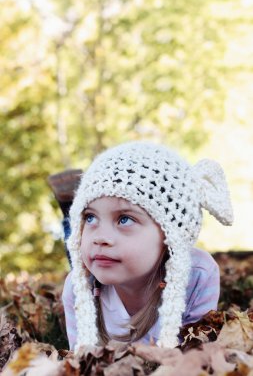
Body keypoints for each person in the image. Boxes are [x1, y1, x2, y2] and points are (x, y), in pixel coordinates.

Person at [61, 141, 233, 353]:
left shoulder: (197, 274)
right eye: (89, 217)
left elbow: (197, 356)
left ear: (169, 233)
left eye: (124, 219)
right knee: (73, 248)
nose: (100, 238)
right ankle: (68, 214)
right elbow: (79, 363)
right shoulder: (79, 288)